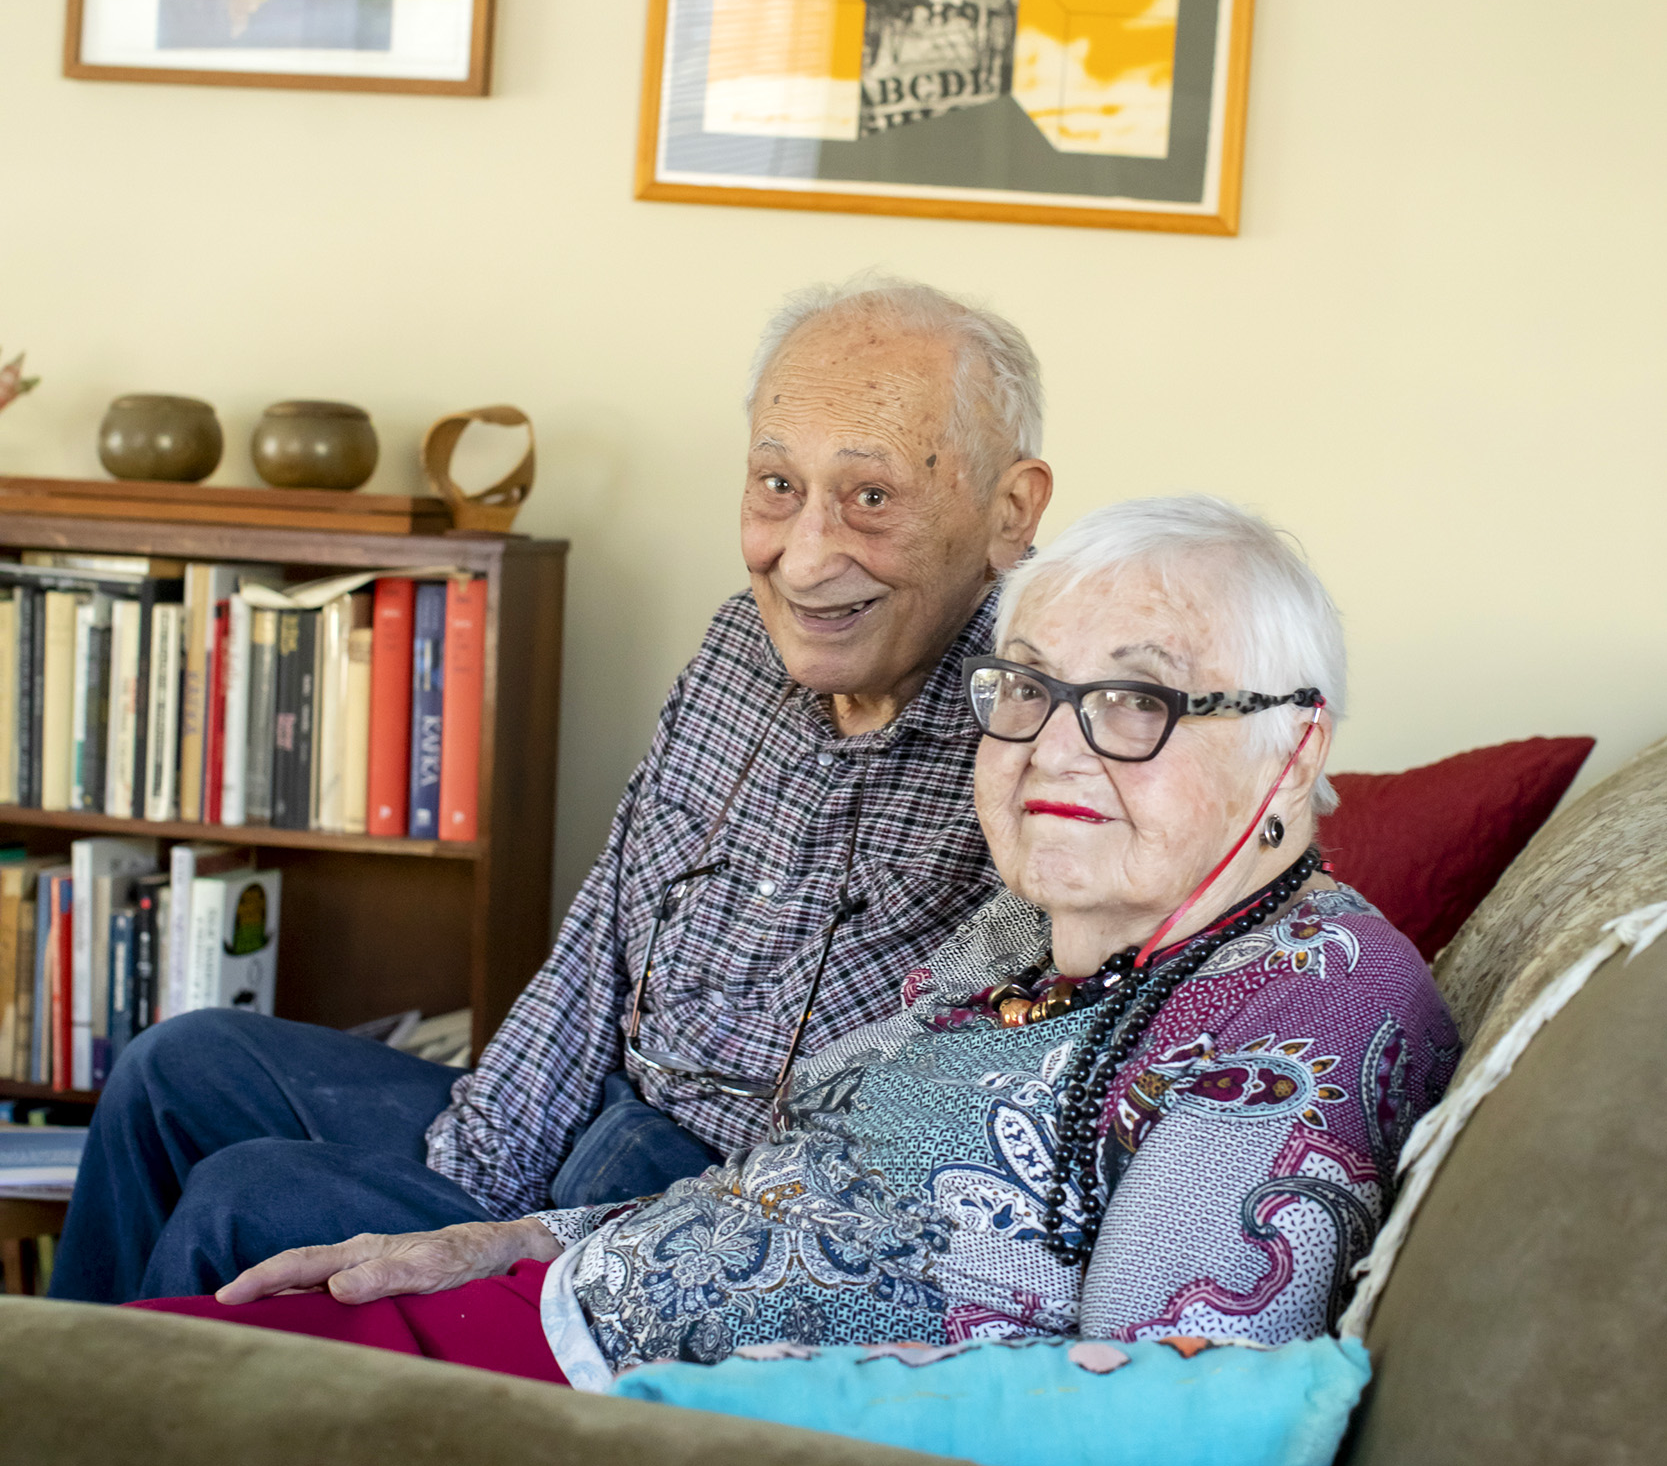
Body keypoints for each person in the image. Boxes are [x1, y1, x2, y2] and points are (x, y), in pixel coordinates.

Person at [140, 496, 1460, 1382]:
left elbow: (1145, 1417)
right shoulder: (1021, 934)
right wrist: (516, 1243)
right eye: (1026, 689)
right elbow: (789, 1189)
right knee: (123, 1350)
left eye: (1134, 698)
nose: (1051, 746)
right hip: (549, 1318)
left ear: (1293, 752)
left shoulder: (1299, 1015)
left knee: (149, 1354)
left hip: (596, 1438)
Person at [52, 278, 1053, 1305]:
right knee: (173, 1067)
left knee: (247, 1199)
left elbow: (913, 1144)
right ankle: (49, 1407)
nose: (801, 559)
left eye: (870, 497)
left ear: (1008, 511)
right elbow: (600, 936)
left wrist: (531, 1230)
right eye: (774, 485)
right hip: (591, 1116)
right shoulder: (737, 647)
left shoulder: (1042, 735)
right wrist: (479, 1168)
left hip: (700, 1210)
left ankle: (127, 1446)